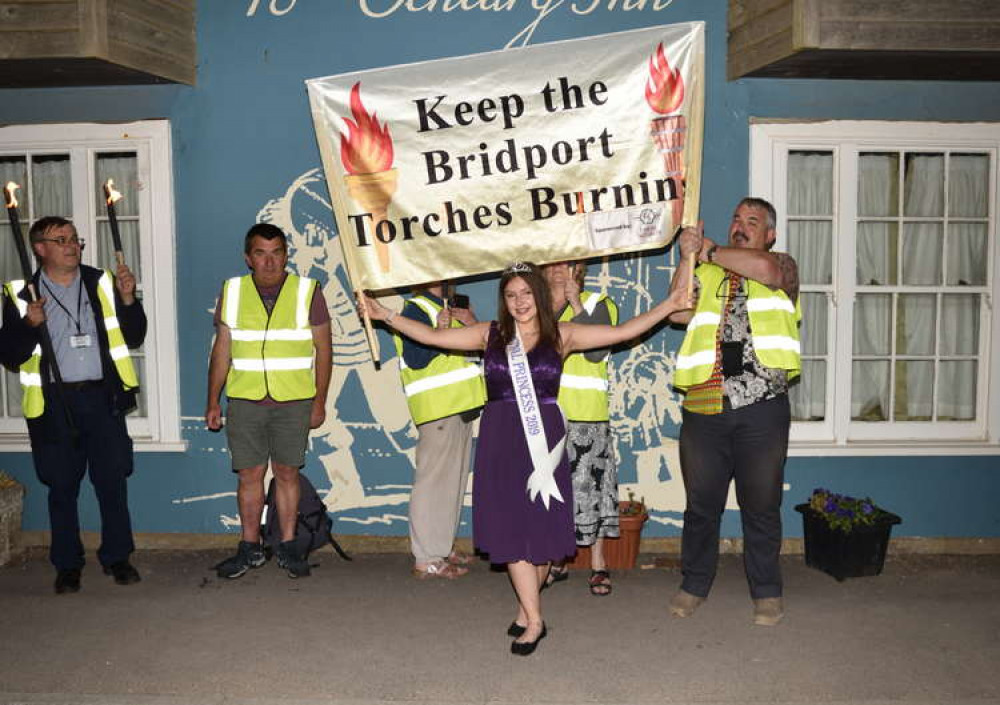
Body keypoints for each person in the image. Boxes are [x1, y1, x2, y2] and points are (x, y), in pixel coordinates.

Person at [360, 261, 690, 655]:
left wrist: (669, 304)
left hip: (544, 441)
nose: (519, 302)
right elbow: (431, 337)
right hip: (502, 437)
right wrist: (386, 315)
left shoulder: (562, 335)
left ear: (538, 294)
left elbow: (621, 331)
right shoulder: (490, 334)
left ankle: (524, 607)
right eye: (511, 295)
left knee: (546, 536)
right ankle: (535, 621)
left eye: (526, 293)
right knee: (511, 529)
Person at [666, 197, 800, 626]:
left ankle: (766, 592)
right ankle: (694, 584)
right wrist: (688, 257)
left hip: (761, 405)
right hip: (705, 405)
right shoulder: (706, 268)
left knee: (761, 504)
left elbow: (766, 272)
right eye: (736, 218)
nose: (741, 226)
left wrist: (706, 248)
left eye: (752, 221)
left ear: (770, 234)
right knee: (701, 506)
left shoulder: (781, 264)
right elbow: (678, 311)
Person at [0, 216, 146, 594]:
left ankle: (118, 557)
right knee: (62, 487)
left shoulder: (102, 282)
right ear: (40, 248)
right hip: (54, 403)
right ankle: (67, 565)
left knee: (112, 483)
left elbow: (133, 334)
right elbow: (10, 355)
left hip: (102, 399)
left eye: (75, 239)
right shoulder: (20, 293)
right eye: (61, 240)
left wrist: (129, 298)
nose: (72, 246)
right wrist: (29, 324)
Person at [205, 223, 332, 580]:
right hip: (245, 400)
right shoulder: (232, 291)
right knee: (249, 475)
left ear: (286, 256)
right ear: (249, 258)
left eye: (276, 252)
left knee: (288, 473)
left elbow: (324, 351)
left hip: (294, 400)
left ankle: (289, 547)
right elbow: (221, 352)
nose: (269, 261)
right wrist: (212, 400)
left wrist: (319, 402)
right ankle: (250, 548)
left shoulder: (308, 291)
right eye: (261, 253)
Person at [392, 281, 485, 579]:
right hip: (438, 408)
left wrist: (470, 324)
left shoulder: (452, 307)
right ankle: (426, 556)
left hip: (461, 405)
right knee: (433, 483)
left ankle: (441, 547)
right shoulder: (415, 310)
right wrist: (441, 333)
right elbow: (416, 359)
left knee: (452, 484)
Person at [540, 261, 619, 596]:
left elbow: (597, 354)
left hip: (587, 415)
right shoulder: (535, 309)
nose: (559, 269)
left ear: (579, 269)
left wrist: (575, 304)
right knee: (551, 494)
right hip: (544, 417)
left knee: (594, 492)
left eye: (567, 262)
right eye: (552, 263)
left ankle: (598, 564)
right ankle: (555, 561)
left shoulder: (600, 303)